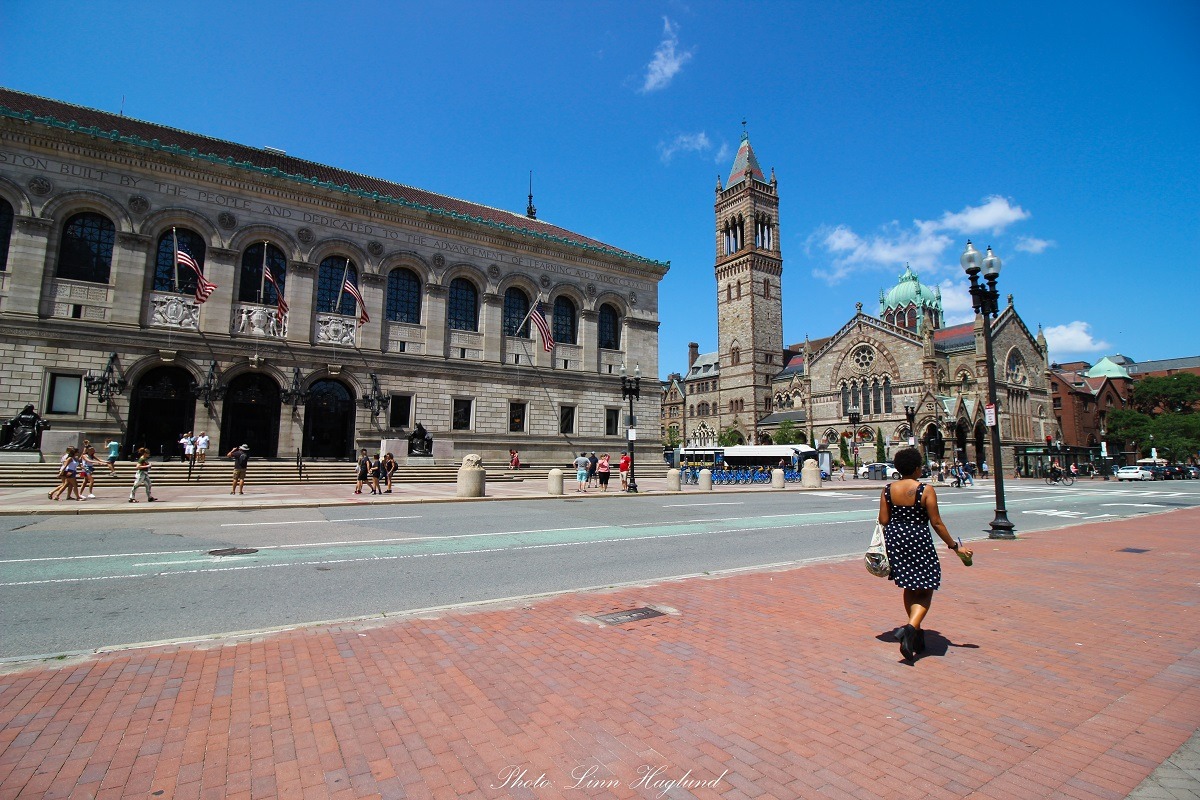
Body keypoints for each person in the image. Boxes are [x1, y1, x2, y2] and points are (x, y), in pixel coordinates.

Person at [878, 446, 972, 661]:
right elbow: (936, 522)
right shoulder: (925, 489)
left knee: (909, 585)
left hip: (896, 540)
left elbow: (883, 520)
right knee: (927, 585)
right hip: (918, 539)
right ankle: (909, 629)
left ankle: (916, 633)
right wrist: (955, 546)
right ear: (917, 469)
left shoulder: (887, 489)